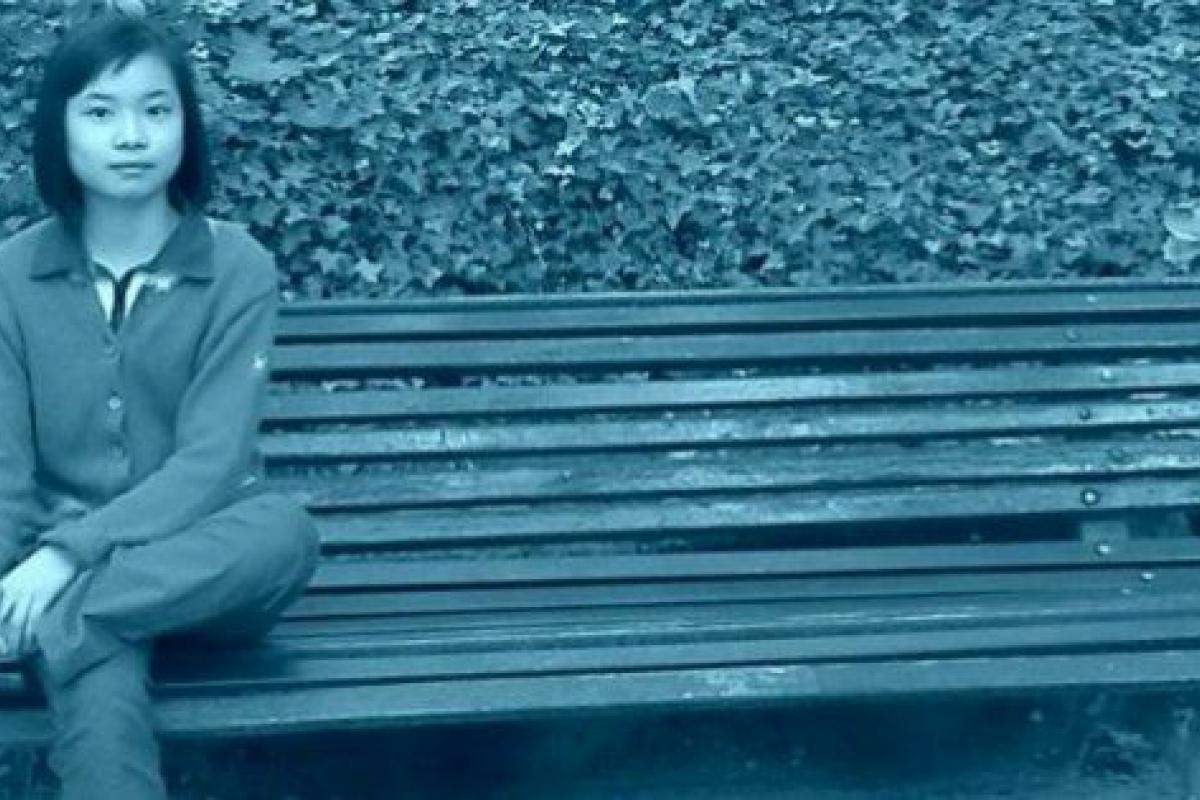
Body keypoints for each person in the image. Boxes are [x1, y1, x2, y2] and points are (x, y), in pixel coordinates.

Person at [0, 11, 320, 799]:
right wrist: (15, 574)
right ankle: (71, 624)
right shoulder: (11, 275)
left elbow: (213, 463)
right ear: (60, 130)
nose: (132, 136)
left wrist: (69, 560)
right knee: (97, 686)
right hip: (69, 585)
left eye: (156, 109)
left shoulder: (237, 267)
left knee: (286, 533)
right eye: (100, 112)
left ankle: (61, 621)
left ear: (186, 126)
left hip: (197, 570)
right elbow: (4, 469)